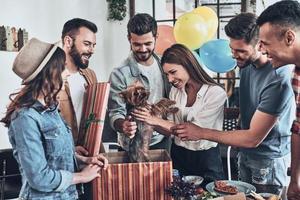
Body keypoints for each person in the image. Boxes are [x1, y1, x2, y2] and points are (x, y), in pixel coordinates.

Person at [171, 13, 295, 187]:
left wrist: (200, 132)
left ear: (260, 45)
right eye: (232, 48)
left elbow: (253, 138)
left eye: (241, 51)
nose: (234, 55)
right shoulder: (245, 66)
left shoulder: (278, 78)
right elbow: (254, 107)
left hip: (268, 161)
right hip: (245, 154)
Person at [0, 38, 108, 199]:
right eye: (63, 67)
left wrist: (84, 160)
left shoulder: (51, 110)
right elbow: (39, 178)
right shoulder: (24, 118)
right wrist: (82, 176)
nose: (67, 73)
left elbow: (55, 158)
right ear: (48, 74)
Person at [133, 43, 226, 183]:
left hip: (206, 158)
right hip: (179, 154)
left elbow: (191, 132)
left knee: (210, 196)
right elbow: (170, 130)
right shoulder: (175, 91)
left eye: (173, 72)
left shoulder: (215, 93)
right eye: (166, 74)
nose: (170, 79)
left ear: (188, 65)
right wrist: (147, 118)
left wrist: (155, 120)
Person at [108, 13, 171, 152]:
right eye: (136, 44)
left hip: (164, 140)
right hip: (132, 145)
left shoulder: (166, 65)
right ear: (129, 39)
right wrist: (123, 125)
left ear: (156, 37)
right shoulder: (119, 73)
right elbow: (115, 113)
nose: (142, 50)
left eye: (148, 43)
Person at [257, 1, 300, 199]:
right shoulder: (296, 75)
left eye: (265, 43)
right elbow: (298, 128)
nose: (261, 50)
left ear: (289, 37)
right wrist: (295, 180)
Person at [58, 18, 99, 155]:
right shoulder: (50, 77)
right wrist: (70, 151)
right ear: (68, 41)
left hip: (90, 153)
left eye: (93, 45)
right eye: (87, 44)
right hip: (63, 157)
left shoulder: (90, 75)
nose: (92, 50)